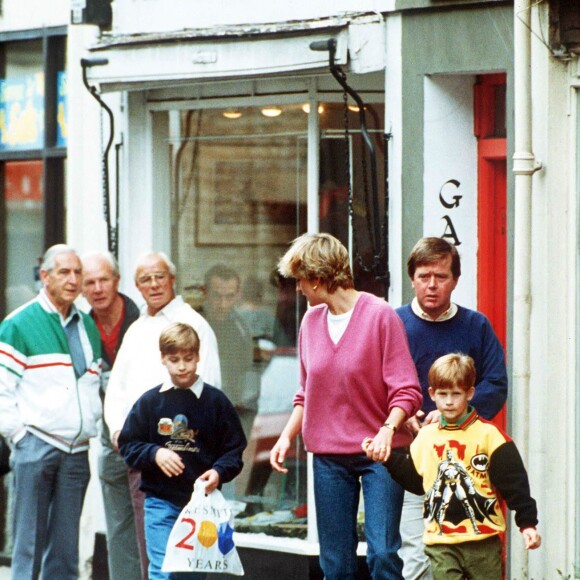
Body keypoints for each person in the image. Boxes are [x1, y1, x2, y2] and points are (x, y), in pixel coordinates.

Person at [269, 233, 422, 580]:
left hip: (380, 454)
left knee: (382, 554)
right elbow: (305, 392)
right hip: (328, 458)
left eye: (301, 281)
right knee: (335, 563)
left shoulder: (380, 316)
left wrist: (387, 430)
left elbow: (407, 390)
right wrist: (285, 437)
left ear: (320, 278)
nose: (298, 289)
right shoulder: (310, 323)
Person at [396, 237, 508, 579]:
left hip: (468, 464)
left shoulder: (476, 326)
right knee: (414, 557)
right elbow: (375, 382)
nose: (432, 285)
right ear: (412, 278)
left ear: (455, 280)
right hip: (412, 459)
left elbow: (496, 383)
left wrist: (452, 415)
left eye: (441, 276)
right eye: (424, 275)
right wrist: (406, 415)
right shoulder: (393, 323)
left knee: (472, 557)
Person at [104, 251, 221, 577]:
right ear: (137, 287)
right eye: (145, 279)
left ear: (172, 279)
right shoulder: (137, 330)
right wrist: (118, 431)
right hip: (144, 458)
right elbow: (117, 390)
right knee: (152, 553)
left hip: (187, 461)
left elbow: (209, 393)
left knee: (190, 554)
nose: (153, 285)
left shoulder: (194, 324)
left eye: (159, 276)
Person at [381, 354, 541, 579]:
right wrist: (389, 458)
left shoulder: (489, 435)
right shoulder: (425, 437)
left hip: (483, 541)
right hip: (441, 541)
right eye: (442, 394)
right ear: (432, 394)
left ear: (470, 393)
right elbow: (417, 483)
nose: (448, 401)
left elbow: (515, 485)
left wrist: (527, 524)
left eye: (456, 394)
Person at [0, 244, 102, 579]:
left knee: (66, 549)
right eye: (64, 272)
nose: (73, 280)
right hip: (37, 446)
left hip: (77, 452)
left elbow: (91, 382)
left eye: (77, 272)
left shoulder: (87, 325)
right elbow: (2, 391)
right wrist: (20, 438)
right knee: (27, 545)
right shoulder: (19, 324)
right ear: (45, 277)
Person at [118, 322, 246, 580]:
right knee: (162, 569)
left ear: (198, 356)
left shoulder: (216, 402)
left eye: (188, 358)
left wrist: (219, 472)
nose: (182, 366)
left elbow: (234, 450)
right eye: (174, 359)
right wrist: (154, 453)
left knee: (191, 572)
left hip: (201, 504)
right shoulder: (151, 402)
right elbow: (128, 443)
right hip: (160, 501)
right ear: (163, 359)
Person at [81, 251, 142, 580]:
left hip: (147, 439)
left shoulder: (142, 321)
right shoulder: (80, 328)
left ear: (117, 281)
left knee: (150, 526)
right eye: (89, 282)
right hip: (109, 442)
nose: (98, 288)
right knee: (118, 528)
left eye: (104, 279)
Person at [203, 265, 257, 439]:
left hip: (231, 409)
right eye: (217, 296)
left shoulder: (242, 329)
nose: (223, 304)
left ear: (238, 294)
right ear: (206, 292)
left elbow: (247, 373)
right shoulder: (195, 324)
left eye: (229, 297)